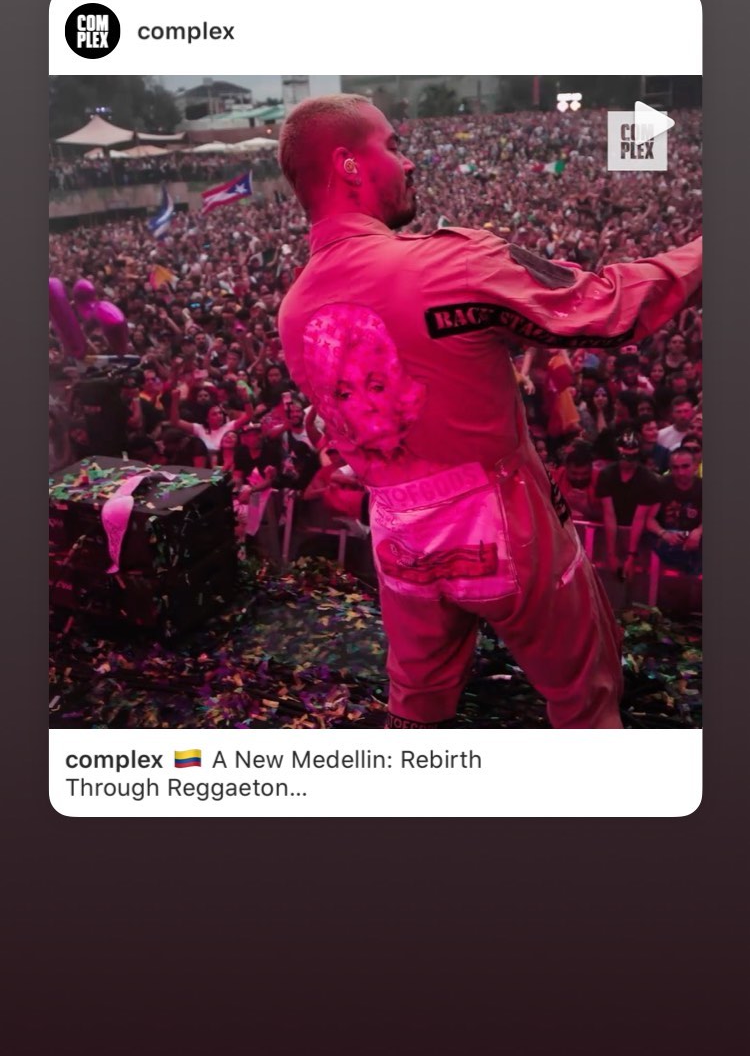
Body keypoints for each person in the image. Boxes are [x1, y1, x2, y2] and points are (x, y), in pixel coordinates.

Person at [277, 94, 702, 729]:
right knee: (584, 702)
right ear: (348, 164)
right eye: (392, 146)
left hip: (398, 545)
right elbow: (609, 309)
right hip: (504, 530)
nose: (408, 162)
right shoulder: (449, 262)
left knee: (417, 708)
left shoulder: (292, 311)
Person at [594, 429, 663, 578]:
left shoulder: (648, 479)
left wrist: (631, 555)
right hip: (612, 530)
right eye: (625, 456)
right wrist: (611, 553)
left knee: (637, 576)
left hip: (639, 534)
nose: (628, 461)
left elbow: (640, 518)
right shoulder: (607, 474)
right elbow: (609, 514)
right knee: (608, 573)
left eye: (632, 457)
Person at [646, 449, 703, 574]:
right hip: (667, 538)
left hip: (695, 539)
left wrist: (698, 532)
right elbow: (649, 519)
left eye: (685, 466)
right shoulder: (661, 485)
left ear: (695, 466)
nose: (680, 472)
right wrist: (663, 534)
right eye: (675, 468)